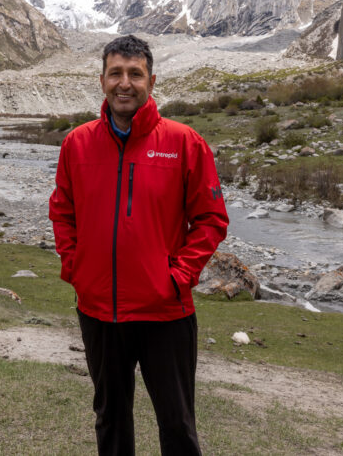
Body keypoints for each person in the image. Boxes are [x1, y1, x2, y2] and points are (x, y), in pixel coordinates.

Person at [49, 34, 229, 455]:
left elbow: (211, 218)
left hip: (165, 309)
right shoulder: (77, 143)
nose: (124, 83)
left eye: (135, 74)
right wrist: (76, 268)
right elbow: (62, 211)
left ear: (151, 81)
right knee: (110, 419)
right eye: (116, 73)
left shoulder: (184, 143)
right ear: (102, 80)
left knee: (178, 424)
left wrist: (179, 276)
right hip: (99, 310)